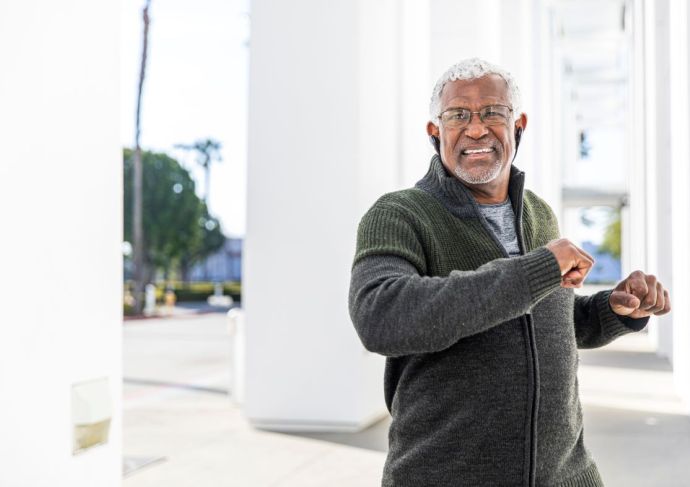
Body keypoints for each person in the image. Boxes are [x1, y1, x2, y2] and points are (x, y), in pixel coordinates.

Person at [348, 58, 671, 487]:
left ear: (517, 125)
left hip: (568, 476)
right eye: (458, 115)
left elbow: (543, 322)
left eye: (492, 113)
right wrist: (534, 270)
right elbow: (381, 317)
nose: (476, 129)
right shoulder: (400, 214)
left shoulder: (538, 215)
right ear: (435, 132)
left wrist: (613, 311)